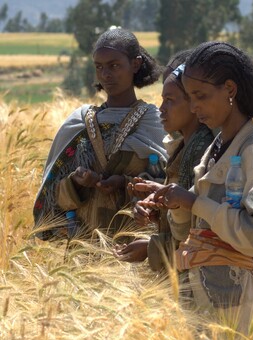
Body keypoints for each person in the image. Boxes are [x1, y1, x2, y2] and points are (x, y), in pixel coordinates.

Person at [134, 41, 253, 336]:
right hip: (204, 309)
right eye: (190, 98)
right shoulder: (214, 152)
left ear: (230, 90)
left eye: (201, 96)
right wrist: (176, 207)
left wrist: (194, 203)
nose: (194, 107)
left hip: (237, 312)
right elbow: (189, 235)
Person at [32, 27, 167, 241]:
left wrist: (123, 183)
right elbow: (53, 197)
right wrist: (76, 183)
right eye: (99, 67)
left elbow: (171, 186)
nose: (106, 74)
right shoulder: (79, 122)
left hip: (136, 249)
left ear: (135, 64)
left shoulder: (154, 121)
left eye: (114, 66)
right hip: (84, 248)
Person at [113, 49, 214, 270]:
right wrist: (157, 202)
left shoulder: (203, 154)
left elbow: (201, 233)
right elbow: (185, 206)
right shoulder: (184, 148)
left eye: (170, 100)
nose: (161, 109)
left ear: (194, 103)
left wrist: (151, 248)